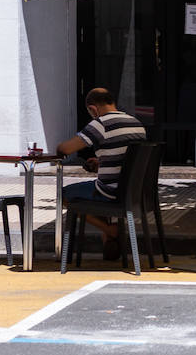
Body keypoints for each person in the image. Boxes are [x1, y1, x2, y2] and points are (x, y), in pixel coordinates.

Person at [57, 87, 147, 260]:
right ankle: (109, 241)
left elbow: (65, 149)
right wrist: (101, 163)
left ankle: (109, 230)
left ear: (93, 109)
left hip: (111, 191)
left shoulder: (101, 123)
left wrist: (59, 148)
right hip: (133, 191)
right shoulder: (136, 123)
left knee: (65, 195)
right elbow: (127, 161)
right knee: (94, 193)